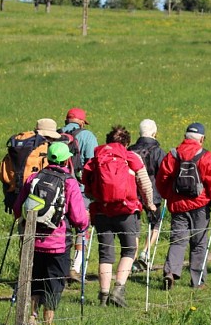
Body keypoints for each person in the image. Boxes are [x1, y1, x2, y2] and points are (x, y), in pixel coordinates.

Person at [13, 142, 89, 325]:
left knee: (34, 278)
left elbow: (17, 209)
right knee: (54, 283)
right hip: (58, 243)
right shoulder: (70, 182)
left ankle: (32, 315)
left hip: (33, 240)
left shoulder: (33, 178)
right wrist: (84, 225)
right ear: (67, 160)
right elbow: (79, 218)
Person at [82, 125, 156, 307]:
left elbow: (86, 182)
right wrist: (150, 204)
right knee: (129, 250)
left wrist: (97, 197)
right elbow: (145, 184)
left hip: (101, 211)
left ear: (108, 140)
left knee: (105, 253)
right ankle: (119, 289)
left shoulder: (96, 158)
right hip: (126, 211)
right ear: (127, 142)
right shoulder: (131, 157)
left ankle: (103, 295)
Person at [156, 123, 211, 290]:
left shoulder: (173, 155)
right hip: (200, 206)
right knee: (199, 242)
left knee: (178, 240)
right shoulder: (207, 157)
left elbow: (161, 180)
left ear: (185, 137)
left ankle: (171, 272)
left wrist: (168, 196)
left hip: (178, 206)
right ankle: (198, 281)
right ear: (201, 138)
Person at [60, 108, 99, 283]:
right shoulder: (87, 136)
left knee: (62, 226)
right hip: (80, 188)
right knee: (82, 226)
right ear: (82, 122)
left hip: (59, 185)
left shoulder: (57, 134)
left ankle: (60, 265)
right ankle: (75, 267)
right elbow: (92, 163)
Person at [0, 118, 61, 214]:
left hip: (14, 192)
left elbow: (3, 172)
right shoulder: (43, 147)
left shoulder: (19, 143)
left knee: (22, 224)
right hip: (35, 194)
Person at [129, 119, 167, 272]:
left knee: (135, 226)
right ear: (154, 133)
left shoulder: (131, 150)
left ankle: (133, 257)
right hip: (153, 193)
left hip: (132, 192)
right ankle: (146, 252)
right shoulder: (158, 151)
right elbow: (164, 172)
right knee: (155, 224)